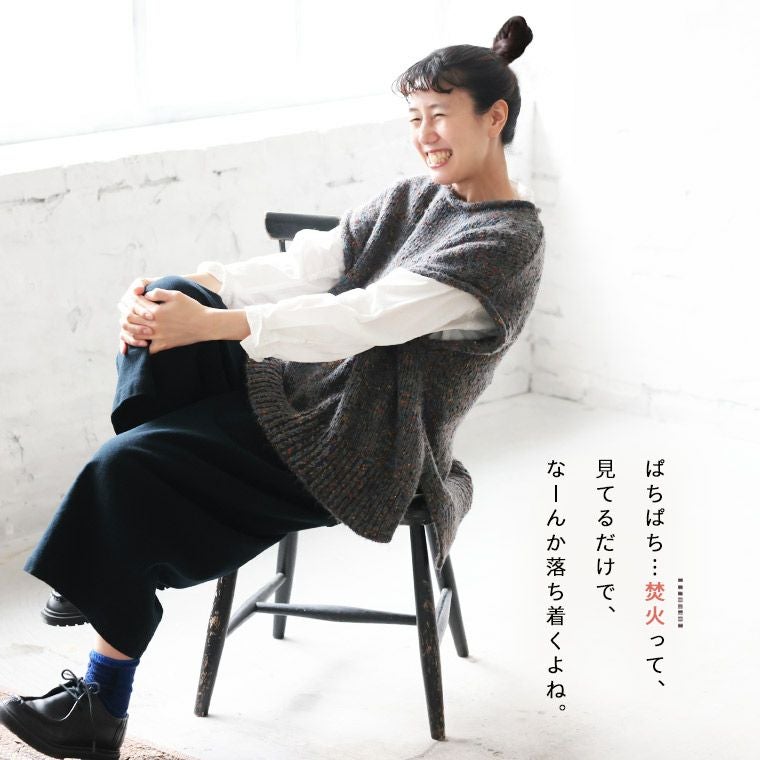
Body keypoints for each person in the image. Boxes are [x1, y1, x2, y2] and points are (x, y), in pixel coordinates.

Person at [0, 15, 543, 760]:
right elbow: (308, 265)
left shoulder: (505, 243)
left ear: (495, 116)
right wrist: (186, 293)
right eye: (414, 117)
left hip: (367, 440)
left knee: (123, 467)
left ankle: (99, 705)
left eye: (439, 115)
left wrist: (209, 326)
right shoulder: (419, 197)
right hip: (307, 394)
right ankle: (120, 524)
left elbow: (361, 319)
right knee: (172, 290)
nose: (425, 135)